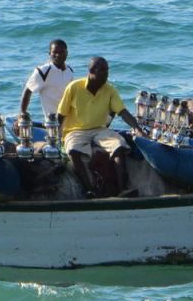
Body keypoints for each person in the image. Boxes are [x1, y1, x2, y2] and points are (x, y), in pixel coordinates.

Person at [57, 56, 145, 198]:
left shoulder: (110, 90)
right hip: (75, 130)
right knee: (73, 150)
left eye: (107, 70)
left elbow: (122, 112)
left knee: (118, 145)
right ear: (91, 71)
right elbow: (60, 115)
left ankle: (122, 189)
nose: (107, 74)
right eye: (103, 70)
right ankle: (89, 189)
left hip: (99, 129)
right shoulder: (74, 87)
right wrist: (57, 138)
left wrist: (138, 129)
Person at [20, 39, 73, 119]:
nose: (58, 55)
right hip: (52, 121)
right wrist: (22, 113)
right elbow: (28, 91)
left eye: (61, 52)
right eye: (54, 52)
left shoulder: (69, 71)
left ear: (67, 53)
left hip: (69, 118)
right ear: (49, 54)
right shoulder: (43, 71)